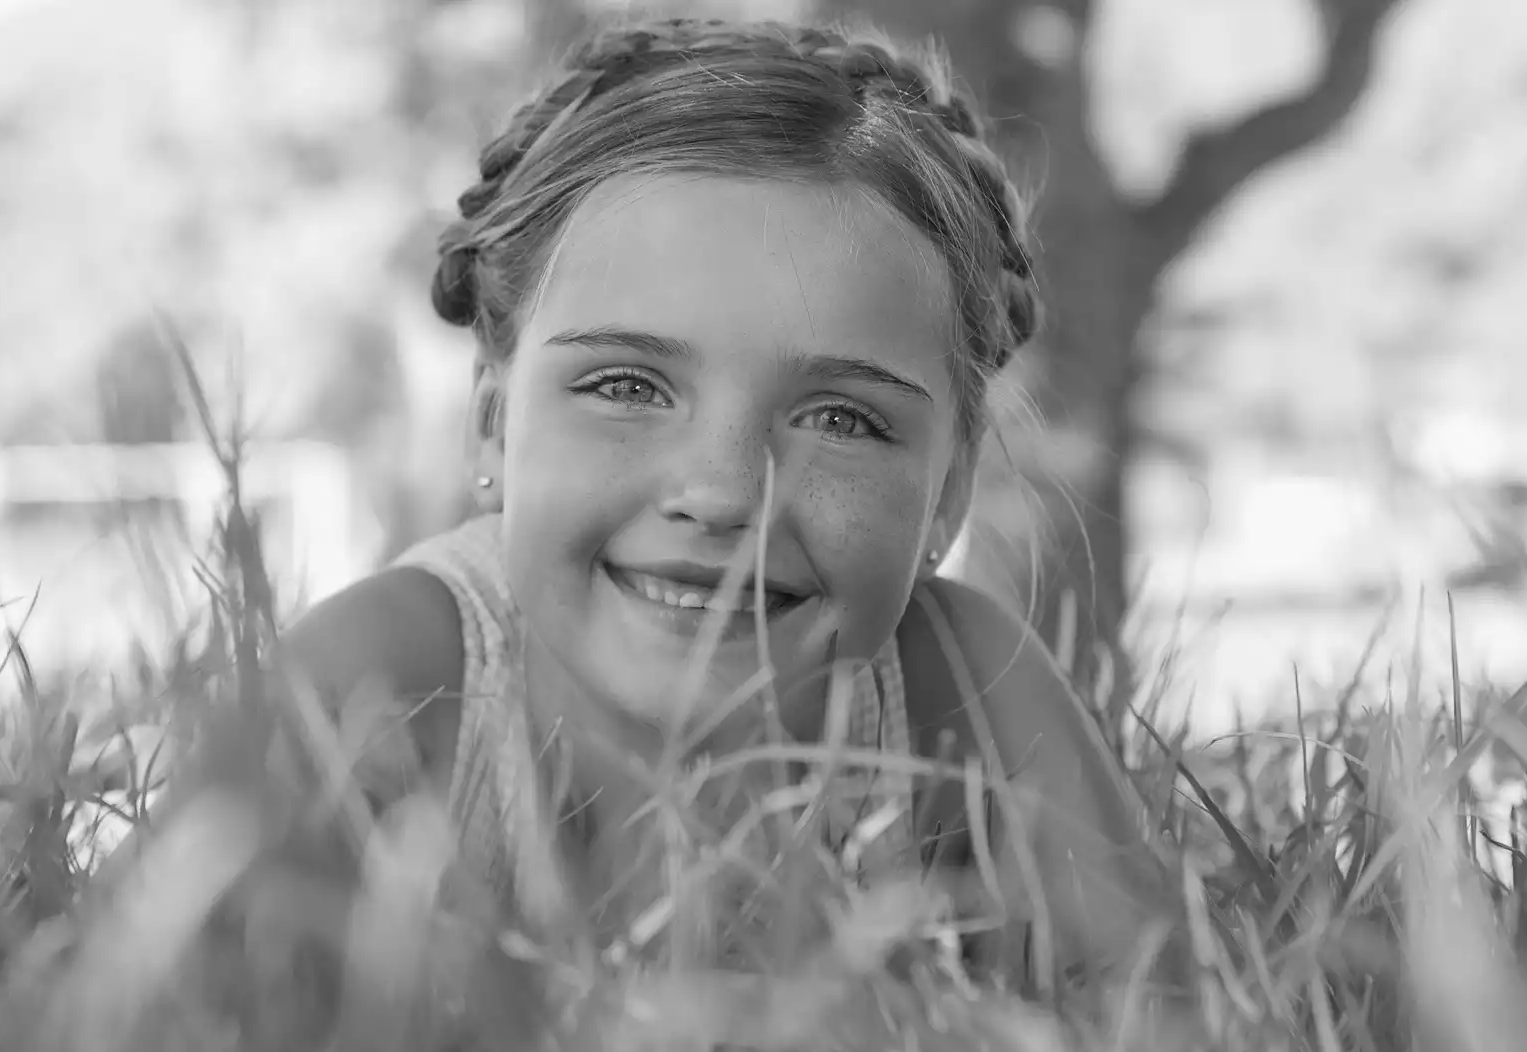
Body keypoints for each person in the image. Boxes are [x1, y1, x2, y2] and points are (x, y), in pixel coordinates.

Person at [272, 14, 1178, 996]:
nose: (722, 492)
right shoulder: (389, 684)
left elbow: (1166, 1012)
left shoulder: (959, 688)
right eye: (625, 387)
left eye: (839, 417)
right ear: (494, 424)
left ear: (950, 491)